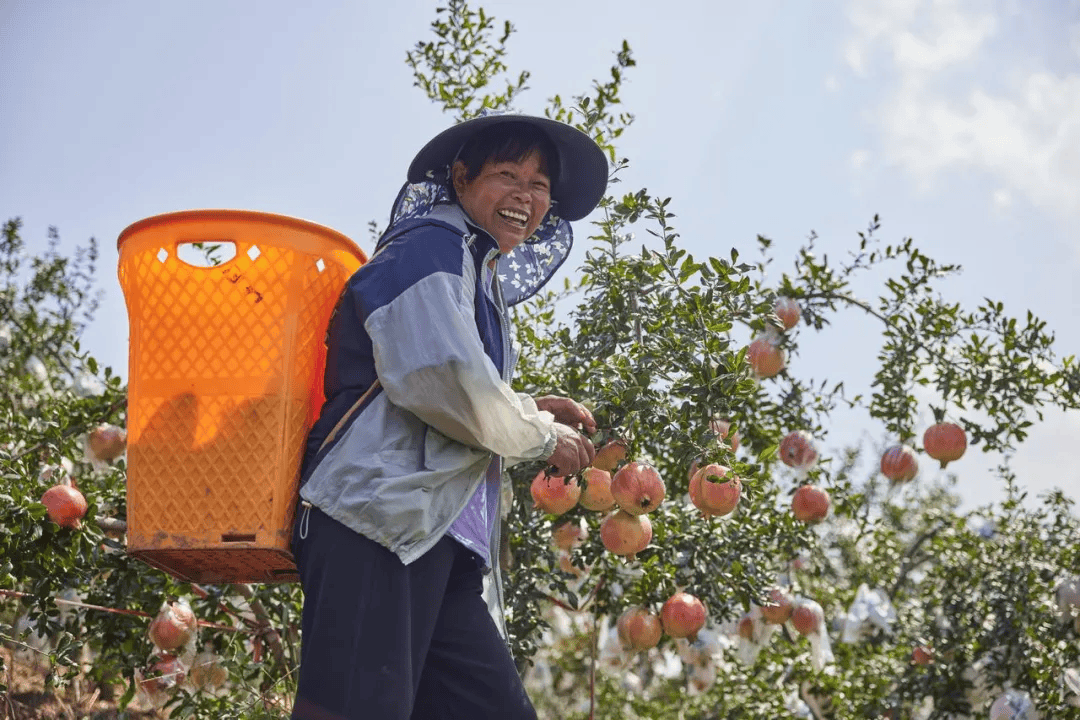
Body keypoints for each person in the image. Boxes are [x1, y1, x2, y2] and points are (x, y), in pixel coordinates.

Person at [289, 111, 609, 720]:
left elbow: (452, 383)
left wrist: (530, 407)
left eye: (541, 186)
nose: (526, 196)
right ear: (460, 178)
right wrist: (542, 435)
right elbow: (441, 378)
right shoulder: (432, 245)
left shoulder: (471, 265)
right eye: (508, 174)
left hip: (433, 539)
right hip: (374, 524)